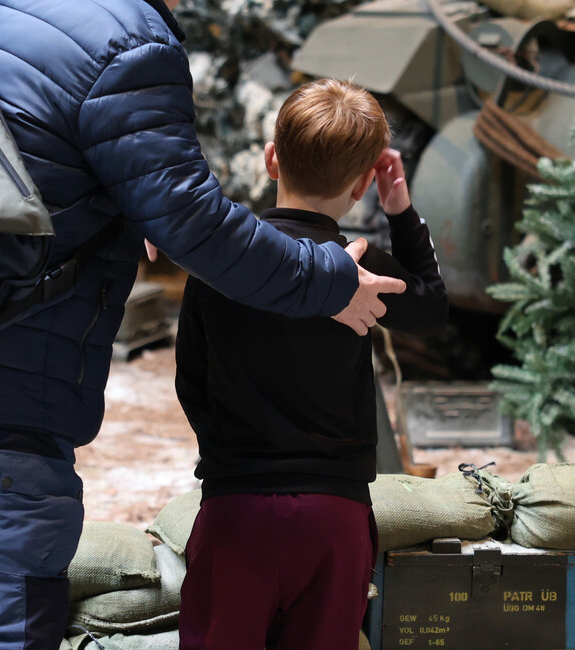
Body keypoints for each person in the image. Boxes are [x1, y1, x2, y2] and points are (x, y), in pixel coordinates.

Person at [0, 1, 410, 649]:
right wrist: (328, 280)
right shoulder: (130, 42)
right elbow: (196, 223)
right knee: (3, 630)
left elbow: (11, 137)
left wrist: (126, 206)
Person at [173, 79, 449, 650]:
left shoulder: (222, 265)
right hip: (335, 517)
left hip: (235, 509)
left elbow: (190, 380)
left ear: (272, 160)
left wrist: (231, 450)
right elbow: (430, 307)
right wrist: (399, 209)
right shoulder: (360, 267)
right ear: (362, 186)